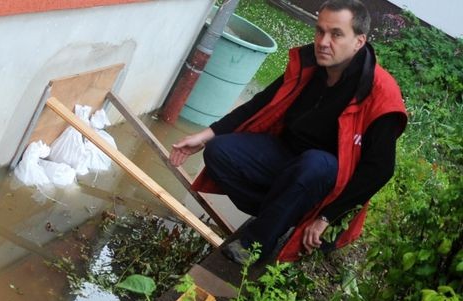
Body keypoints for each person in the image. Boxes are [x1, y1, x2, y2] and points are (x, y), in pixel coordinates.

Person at [169, 0, 407, 266]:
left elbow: (380, 169)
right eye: (320, 31)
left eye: (336, 34)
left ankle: (255, 246)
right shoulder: (309, 63)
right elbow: (262, 102)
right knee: (219, 152)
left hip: (326, 179)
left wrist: (327, 217)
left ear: (359, 41)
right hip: (286, 155)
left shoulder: (380, 93)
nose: (323, 41)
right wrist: (206, 135)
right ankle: (281, 212)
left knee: (315, 164)